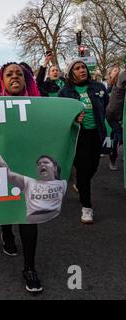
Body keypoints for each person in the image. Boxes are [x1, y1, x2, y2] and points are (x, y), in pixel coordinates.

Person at [0, 62, 43, 293]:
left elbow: (54, 124)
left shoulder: (41, 106)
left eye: (19, 74)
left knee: (28, 214)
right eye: (9, 74)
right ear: (1, 80)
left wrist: (73, 119)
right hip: (2, 161)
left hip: (28, 164)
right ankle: (7, 232)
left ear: (26, 79)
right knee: (6, 201)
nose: (14, 77)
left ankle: (29, 267)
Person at [58, 59, 109, 224]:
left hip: (96, 134)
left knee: (93, 167)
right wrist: (73, 119)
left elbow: (105, 105)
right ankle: (86, 208)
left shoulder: (98, 88)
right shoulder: (65, 92)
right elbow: (59, 118)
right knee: (83, 169)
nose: (82, 70)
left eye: (83, 67)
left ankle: (80, 184)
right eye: (78, 68)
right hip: (79, 136)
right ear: (71, 73)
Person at [106, 66, 123, 171]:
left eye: (119, 70)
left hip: (121, 116)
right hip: (113, 117)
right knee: (118, 138)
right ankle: (112, 159)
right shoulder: (110, 87)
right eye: (115, 70)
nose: (118, 72)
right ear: (110, 74)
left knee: (119, 137)